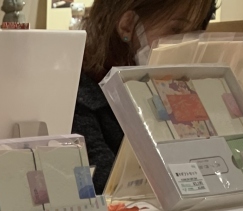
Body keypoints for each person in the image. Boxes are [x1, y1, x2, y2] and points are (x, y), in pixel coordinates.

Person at [73, 0, 217, 193]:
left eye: (196, 32)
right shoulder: (78, 92)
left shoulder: (174, 85)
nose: (188, 45)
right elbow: (106, 186)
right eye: (176, 30)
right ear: (127, 25)